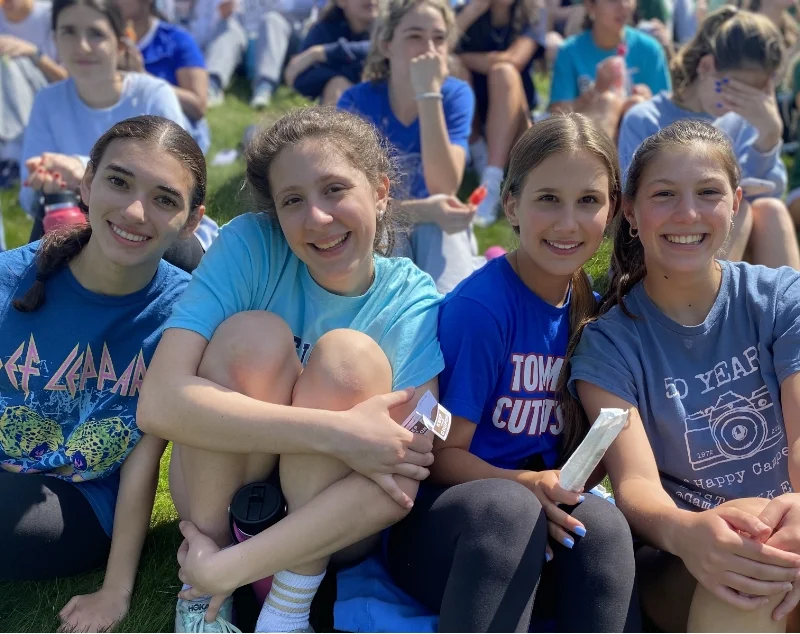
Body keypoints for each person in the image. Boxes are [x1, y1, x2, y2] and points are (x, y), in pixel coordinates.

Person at [136, 106, 444, 633]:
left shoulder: (410, 297)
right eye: (292, 201)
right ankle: (205, 599)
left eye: (335, 190)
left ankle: (284, 606)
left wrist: (234, 566)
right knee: (252, 336)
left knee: (349, 356)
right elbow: (159, 402)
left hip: (330, 527)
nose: (317, 219)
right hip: (219, 497)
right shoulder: (249, 245)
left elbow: (399, 481)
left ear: (382, 191)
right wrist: (342, 433)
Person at [384, 113, 638, 633]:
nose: (568, 222)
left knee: (605, 528)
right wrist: (526, 484)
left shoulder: (588, 305)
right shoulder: (482, 310)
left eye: (588, 201)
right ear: (511, 205)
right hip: (454, 527)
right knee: (509, 512)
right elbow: (440, 457)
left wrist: (557, 487)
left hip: (537, 511)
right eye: (548, 198)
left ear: (612, 209)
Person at [569, 119, 800, 632]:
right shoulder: (608, 344)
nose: (688, 213)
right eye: (665, 194)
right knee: (747, 581)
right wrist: (690, 531)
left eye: (708, 193)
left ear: (736, 202)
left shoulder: (782, 298)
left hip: (790, 533)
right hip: (686, 555)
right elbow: (636, 487)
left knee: (767, 556)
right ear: (630, 211)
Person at [0, 115, 203, 633]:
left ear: (193, 220)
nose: (135, 212)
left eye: (165, 199)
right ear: (86, 183)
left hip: (76, 502)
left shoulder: (186, 316)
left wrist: (116, 590)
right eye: (118, 182)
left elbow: (144, 459)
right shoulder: (10, 280)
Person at [19, 0, 216, 270]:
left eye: (96, 34)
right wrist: (44, 182)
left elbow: (179, 180)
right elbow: (28, 197)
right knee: (52, 213)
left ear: (121, 44)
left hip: (157, 225)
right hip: (90, 222)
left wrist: (79, 170)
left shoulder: (152, 94)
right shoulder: (47, 100)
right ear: (54, 40)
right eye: (69, 32)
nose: (82, 46)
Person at [618, 7, 800, 270]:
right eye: (736, 89)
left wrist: (769, 136)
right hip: (663, 251)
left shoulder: (745, 120)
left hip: (725, 245)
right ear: (706, 67)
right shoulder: (645, 119)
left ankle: (789, 310)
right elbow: (634, 206)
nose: (742, 103)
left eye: (754, 94)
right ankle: (703, 307)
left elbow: (770, 190)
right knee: (744, 211)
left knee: (771, 209)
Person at [338, 0, 479, 294]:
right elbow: (352, 201)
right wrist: (421, 211)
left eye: (439, 39)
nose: (429, 49)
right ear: (387, 44)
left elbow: (443, 186)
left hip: (438, 225)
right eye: (415, 36)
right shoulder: (356, 102)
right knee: (388, 282)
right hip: (381, 221)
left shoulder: (456, 94)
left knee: (451, 301)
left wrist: (428, 93)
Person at [454, 0, 543, 227]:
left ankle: (491, 183)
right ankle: (478, 151)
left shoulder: (532, 14)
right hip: (476, 118)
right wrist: (473, 10)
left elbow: (513, 60)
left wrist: (464, 58)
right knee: (452, 67)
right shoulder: (464, 13)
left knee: (503, 72)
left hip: (516, 121)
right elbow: (437, 50)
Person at [549, 0, 671, 138]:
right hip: (587, 142)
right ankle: (603, 158)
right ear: (590, 5)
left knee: (637, 105)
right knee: (608, 102)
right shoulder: (569, 51)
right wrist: (596, 92)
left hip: (640, 148)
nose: (623, 5)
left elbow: (666, 113)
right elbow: (558, 117)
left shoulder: (650, 50)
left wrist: (648, 101)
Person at [115, 0, 211, 153]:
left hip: (172, 133)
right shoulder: (105, 43)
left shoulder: (178, 40)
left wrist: (143, 76)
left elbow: (198, 106)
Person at [203, 0, 319, 109]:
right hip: (243, 43)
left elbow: (310, 16)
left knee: (271, 19)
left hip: (279, 47)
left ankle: (264, 87)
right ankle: (212, 84)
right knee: (228, 26)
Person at [287, 0, 378, 105]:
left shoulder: (390, 26)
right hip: (341, 102)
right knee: (337, 84)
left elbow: (377, 49)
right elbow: (300, 81)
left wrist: (321, 53)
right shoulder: (324, 29)